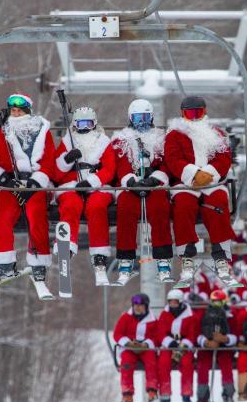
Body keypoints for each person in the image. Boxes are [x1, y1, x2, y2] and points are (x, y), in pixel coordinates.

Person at [164, 96, 237, 286]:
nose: (195, 118)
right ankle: (187, 255)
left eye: (199, 113)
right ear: (183, 114)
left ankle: (221, 254)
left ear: (205, 112)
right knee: (183, 205)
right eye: (190, 114)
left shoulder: (216, 134)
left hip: (211, 183)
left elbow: (223, 158)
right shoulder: (175, 135)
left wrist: (209, 174)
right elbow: (173, 159)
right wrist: (193, 174)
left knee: (218, 202)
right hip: (185, 183)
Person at [0, 94, 55, 282]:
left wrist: (35, 183)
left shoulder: (42, 132)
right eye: (13, 111)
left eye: (20, 111)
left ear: (28, 112)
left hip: (35, 185)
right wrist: (6, 180)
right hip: (11, 185)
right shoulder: (2, 133)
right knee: (1, 216)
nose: (16, 114)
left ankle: (38, 261)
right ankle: (3, 262)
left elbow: (49, 162)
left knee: (36, 214)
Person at [112, 99, 174, 284]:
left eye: (145, 118)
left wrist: (156, 178)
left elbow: (166, 161)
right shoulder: (121, 139)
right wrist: (129, 180)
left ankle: (163, 259)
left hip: (153, 183)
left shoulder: (161, 138)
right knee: (125, 209)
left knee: (159, 208)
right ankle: (126, 259)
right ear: (131, 119)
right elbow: (120, 163)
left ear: (152, 117)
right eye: (138, 118)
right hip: (131, 185)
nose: (142, 122)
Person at [52, 107, 116, 285]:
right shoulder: (67, 142)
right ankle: (67, 246)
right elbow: (56, 174)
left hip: (97, 186)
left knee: (96, 207)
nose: (84, 128)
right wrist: (66, 160)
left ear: (94, 124)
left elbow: (109, 169)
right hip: (72, 184)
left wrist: (91, 182)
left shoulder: (103, 142)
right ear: (74, 124)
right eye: (80, 124)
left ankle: (99, 257)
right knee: (70, 204)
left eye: (88, 123)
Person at [113, 293, 159, 402]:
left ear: (146, 306)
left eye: (140, 305)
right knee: (126, 364)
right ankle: (127, 394)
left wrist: (146, 345)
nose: (137, 307)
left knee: (151, 363)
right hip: (129, 348)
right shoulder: (126, 318)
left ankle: (152, 391)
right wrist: (128, 343)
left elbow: (157, 337)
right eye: (135, 305)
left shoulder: (153, 320)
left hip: (146, 348)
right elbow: (117, 334)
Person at [195, 289, 237, 402]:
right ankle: (202, 398)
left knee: (226, 365)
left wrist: (226, 339)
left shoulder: (231, 315)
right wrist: (206, 342)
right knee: (202, 366)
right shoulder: (204, 315)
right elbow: (197, 333)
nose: (217, 304)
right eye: (214, 302)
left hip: (224, 348)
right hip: (207, 347)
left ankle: (228, 395)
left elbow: (236, 334)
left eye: (219, 302)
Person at [157, 289, 196, 402]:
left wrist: (183, 345)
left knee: (187, 364)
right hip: (168, 345)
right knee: (163, 364)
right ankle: (165, 397)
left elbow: (192, 334)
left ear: (181, 302)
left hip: (184, 346)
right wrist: (170, 343)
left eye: (175, 302)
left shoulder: (190, 316)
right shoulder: (164, 314)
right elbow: (160, 333)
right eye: (170, 302)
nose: (173, 305)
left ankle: (186, 397)